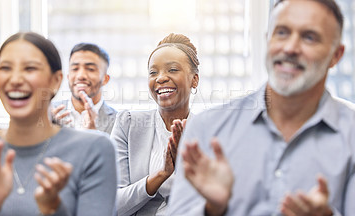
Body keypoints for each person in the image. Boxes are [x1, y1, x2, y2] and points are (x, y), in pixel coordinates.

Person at [168, 0, 355, 215]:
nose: (290, 48)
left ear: (336, 55)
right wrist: (213, 209)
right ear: (268, 40)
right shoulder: (207, 128)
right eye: (282, 33)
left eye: (309, 37)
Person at [0, 32, 117, 216]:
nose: (15, 80)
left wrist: (54, 209)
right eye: (6, 68)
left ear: (56, 81)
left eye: (30, 68)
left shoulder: (96, 149)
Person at [111, 33, 199, 215]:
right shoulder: (128, 125)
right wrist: (162, 174)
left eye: (173, 70)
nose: (160, 78)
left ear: (194, 79)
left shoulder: (211, 131)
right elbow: (112, 205)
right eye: (153, 72)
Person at [52, 43, 117, 134]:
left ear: (105, 79)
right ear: (68, 76)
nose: (81, 76)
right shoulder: (49, 114)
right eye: (75, 69)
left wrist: (94, 136)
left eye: (90, 69)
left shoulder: (119, 121)